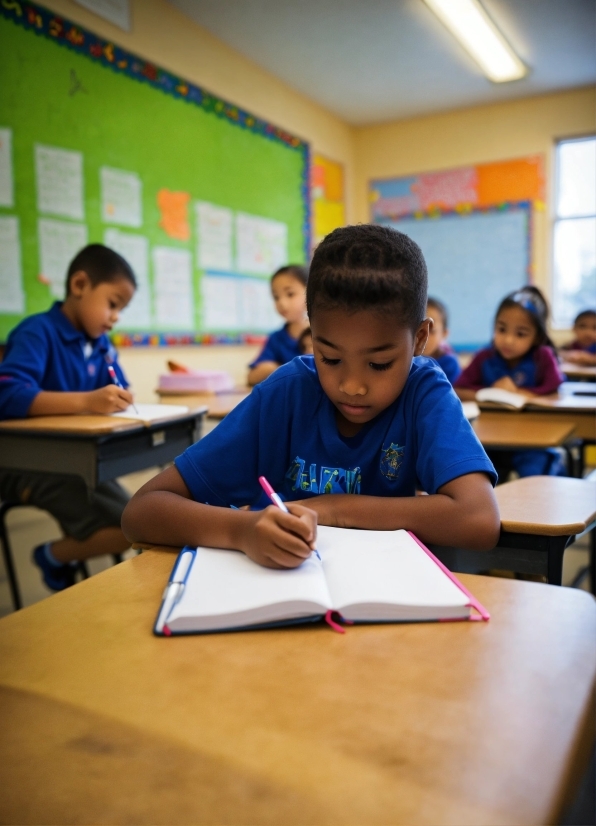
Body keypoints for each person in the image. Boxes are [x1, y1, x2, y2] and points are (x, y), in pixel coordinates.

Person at [123, 225, 499, 569]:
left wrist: (336, 508)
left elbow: (479, 520)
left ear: (419, 340)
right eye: (330, 358)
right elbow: (141, 512)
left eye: (380, 363)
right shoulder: (288, 392)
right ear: (311, 333)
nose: (352, 386)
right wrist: (241, 530)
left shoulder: (424, 393)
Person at [0, 244, 137, 591]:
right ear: (79, 286)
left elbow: (119, 388)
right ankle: (52, 555)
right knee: (133, 526)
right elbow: (7, 395)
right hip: (28, 462)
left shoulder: (99, 343)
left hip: (77, 458)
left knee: (140, 517)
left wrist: (118, 394)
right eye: (112, 303)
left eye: (120, 309)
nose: (115, 316)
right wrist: (89, 401)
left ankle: (64, 558)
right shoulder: (37, 332)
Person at [455, 286, 565, 478]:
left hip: (533, 439)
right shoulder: (484, 356)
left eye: (520, 334)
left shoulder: (542, 357)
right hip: (490, 438)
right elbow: (458, 389)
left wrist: (525, 394)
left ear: (537, 337)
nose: (508, 340)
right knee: (476, 470)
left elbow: (555, 387)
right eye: (501, 329)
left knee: (536, 472)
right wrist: (486, 391)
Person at [247, 264, 308, 386]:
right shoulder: (276, 339)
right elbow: (251, 377)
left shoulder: (324, 335)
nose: (282, 303)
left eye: (290, 294)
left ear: (311, 292)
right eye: (276, 297)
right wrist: (274, 369)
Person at [425, 297, 461, 384]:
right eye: (417, 330)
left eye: (432, 331)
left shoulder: (449, 364)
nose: (423, 337)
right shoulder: (404, 359)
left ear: (444, 334)